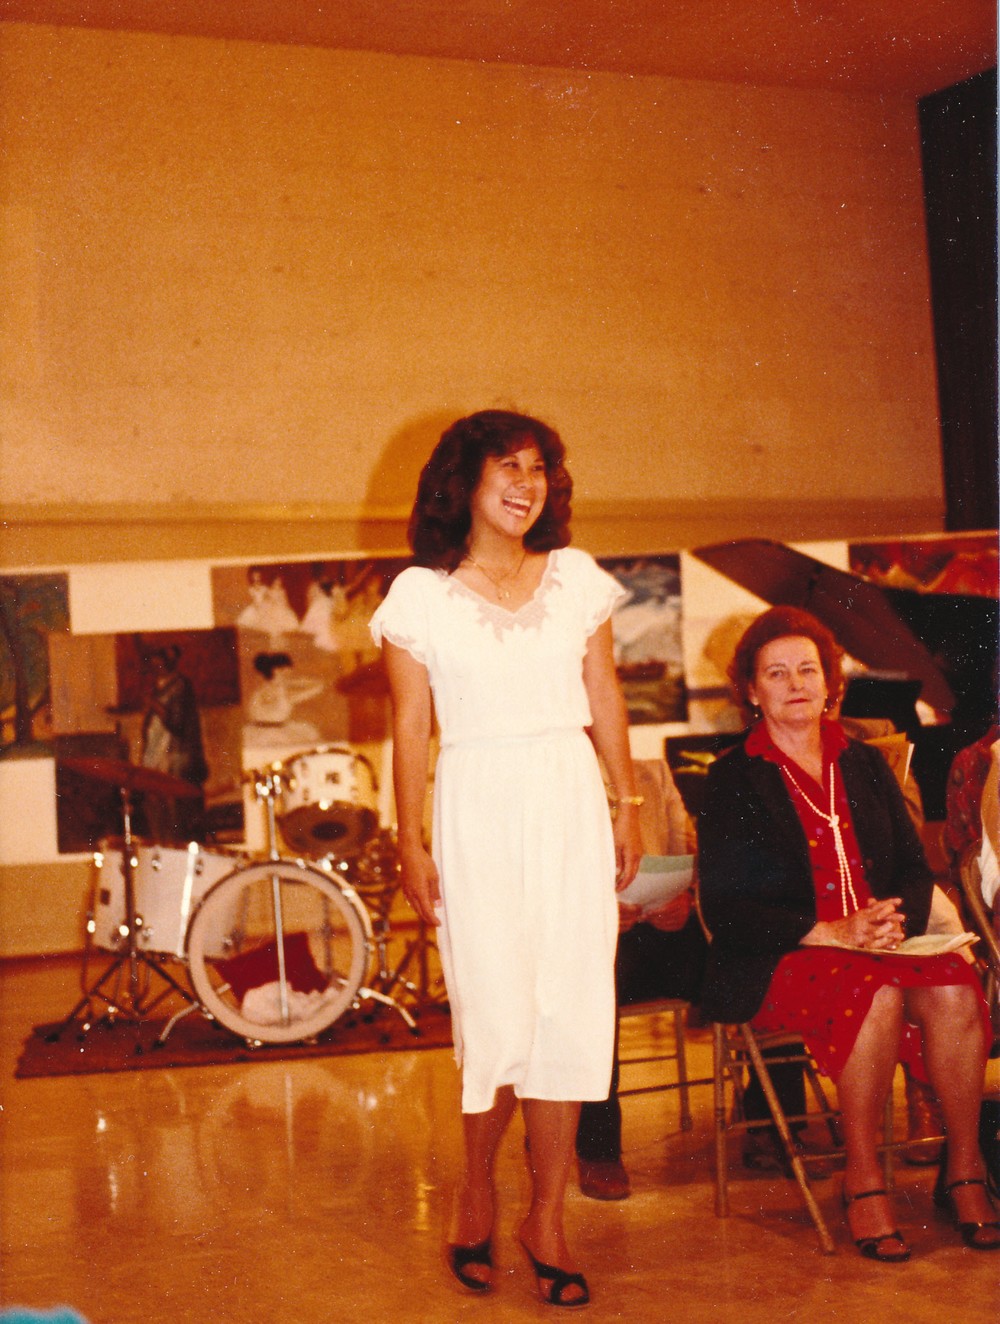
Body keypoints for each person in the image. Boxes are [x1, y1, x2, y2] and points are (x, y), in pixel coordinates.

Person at [370, 409, 642, 1306]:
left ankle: (548, 1217)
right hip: (476, 806)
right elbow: (411, 725)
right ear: (465, 482)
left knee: (570, 1011)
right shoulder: (419, 595)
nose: (527, 485)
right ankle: (477, 1191)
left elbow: (603, 690)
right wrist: (409, 838)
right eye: (508, 468)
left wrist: (628, 801)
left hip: (568, 801)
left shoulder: (575, 578)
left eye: (538, 469)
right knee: (496, 1017)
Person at [697, 606, 999, 1260]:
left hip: (877, 944)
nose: (796, 683)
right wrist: (831, 931)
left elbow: (913, 868)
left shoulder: (863, 764)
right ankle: (862, 1176)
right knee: (874, 992)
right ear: (751, 691)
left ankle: (966, 1168)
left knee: (954, 986)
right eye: (777, 673)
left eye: (808, 670)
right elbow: (726, 907)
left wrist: (893, 920)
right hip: (783, 955)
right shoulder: (731, 779)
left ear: (830, 682)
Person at [575, 759, 707, 1200]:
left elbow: (690, 853)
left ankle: (770, 1119)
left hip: (661, 926)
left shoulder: (652, 773)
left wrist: (686, 898)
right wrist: (595, 911)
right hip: (592, 945)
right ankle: (598, 1148)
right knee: (596, 978)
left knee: (750, 949)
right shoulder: (551, 773)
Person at [140, 644, 207, 842]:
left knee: (175, 809)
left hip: (175, 757)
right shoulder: (159, 687)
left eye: (159, 665)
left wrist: (154, 705)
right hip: (157, 756)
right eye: (153, 666)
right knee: (155, 805)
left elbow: (177, 723)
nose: (156, 669)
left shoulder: (180, 686)